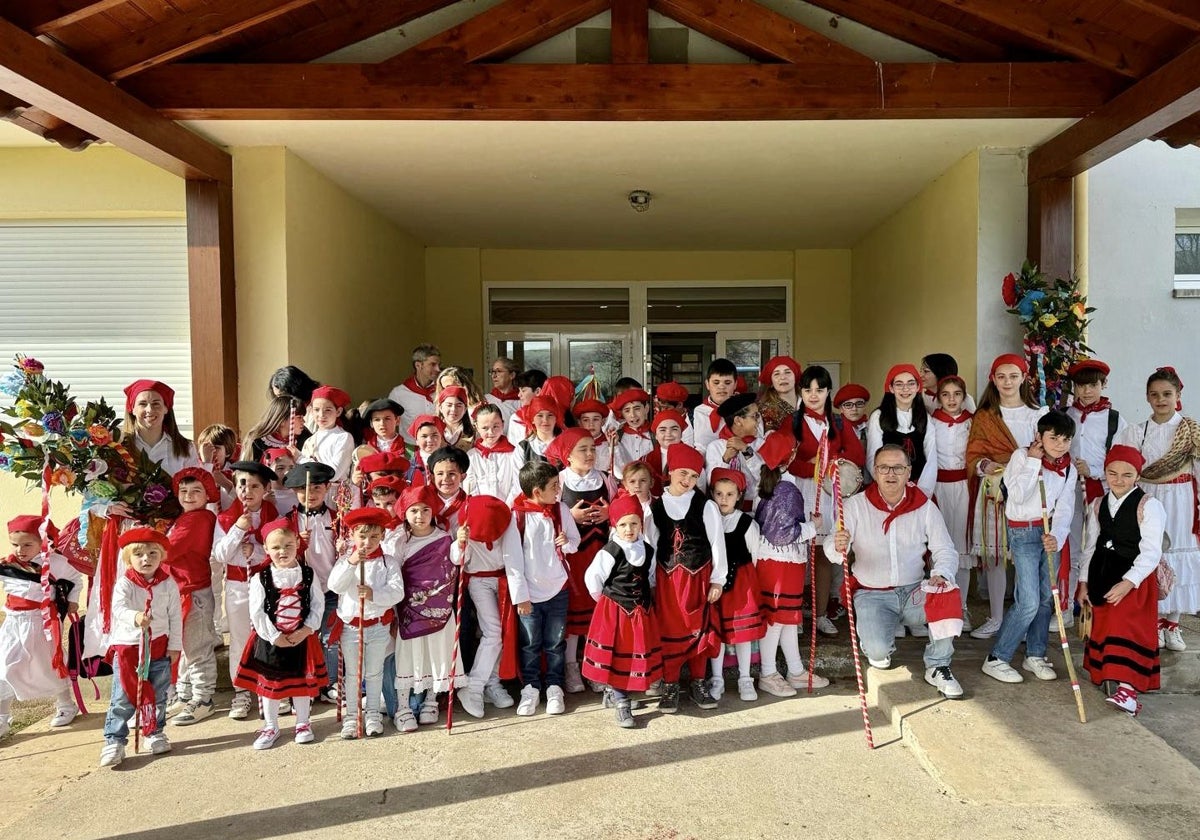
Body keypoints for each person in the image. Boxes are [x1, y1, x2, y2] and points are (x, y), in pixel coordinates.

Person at [826, 444, 964, 700]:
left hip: (913, 591)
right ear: (875, 472)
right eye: (884, 468)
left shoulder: (923, 506)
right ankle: (879, 640)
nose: (891, 474)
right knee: (878, 655)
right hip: (872, 594)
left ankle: (938, 665)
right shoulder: (855, 506)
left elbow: (945, 549)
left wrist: (941, 574)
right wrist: (838, 544)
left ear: (908, 472)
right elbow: (832, 549)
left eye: (898, 468)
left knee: (948, 591)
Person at [981, 411, 1076, 684]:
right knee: (1029, 601)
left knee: (1047, 597)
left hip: (1049, 532)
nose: (1059, 444)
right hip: (1023, 531)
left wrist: (1056, 535)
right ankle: (997, 658)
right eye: (1053, 437)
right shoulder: (1021, 457)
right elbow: (1018, 496)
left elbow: (1066, 505)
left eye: (1065, 439)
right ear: (1039, 436)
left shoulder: (1067, 467)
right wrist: (1035, 463)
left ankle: (1034, 653)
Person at [1115, 367, 1200, 652]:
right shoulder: (1135, 432)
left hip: (1181, 498)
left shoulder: (1191, 431)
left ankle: (1172, 625)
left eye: (1167, 394)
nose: (1161, 399)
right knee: (1152, 554)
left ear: (1178, 395)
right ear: (1147, 398)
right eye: (1154, 395)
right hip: (1148, 498)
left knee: (1177, 556)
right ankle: (1152, 622)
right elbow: (1123, 469)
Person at [1079, 445, 1167, 716]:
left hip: (1134, 581)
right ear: (1105, 473)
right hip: (1101, 575)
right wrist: (1083, 582)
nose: (1119, 480)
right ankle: (1114, 683)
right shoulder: (1097, 504)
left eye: (1127, 475)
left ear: (1137, 476)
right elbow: (1090, 545)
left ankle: (1128, 693)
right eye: (1112, 473)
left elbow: (1152, 551)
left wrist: (1129, 582)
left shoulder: (1149, 505)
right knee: (1106, 629)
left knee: (1126, 629)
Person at [967, 354, 1049, 641]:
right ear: (993, 379)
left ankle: (1023, 619)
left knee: (1025, 556)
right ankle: (996, 617)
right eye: (1001, 376)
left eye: (1013, 376)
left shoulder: (1038, 414)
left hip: (1026, 492)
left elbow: (1046, 451)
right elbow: (974, 453)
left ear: (1024, 377)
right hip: (993, 491)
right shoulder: (986, 415)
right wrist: (983, 465)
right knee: (996, 555)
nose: (1007, 382)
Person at [645, 444, 728, 713]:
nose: (688, 480)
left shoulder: (706, 506)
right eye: (683, 473)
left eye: (694, 476)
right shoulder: (655, 507)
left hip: (698, 578)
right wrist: (650, 580)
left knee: (699, 630)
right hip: (668, 580)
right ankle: (670, 684)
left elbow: (717, 543)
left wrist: (718, 579)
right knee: (669, 630)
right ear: (669, 472)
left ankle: (697, 681)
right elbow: (652, 544)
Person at [788, 365, 866, 637]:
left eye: (819, 389)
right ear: (801, 391)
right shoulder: (792, 422)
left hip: (829, 493)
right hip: (800, 491)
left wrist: (834, 463)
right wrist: (811, 466)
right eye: (808, 389)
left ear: (828, 391)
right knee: (797, 554)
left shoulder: (839, 422)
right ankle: (794, 614)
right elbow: (787, 462)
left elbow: (856, 456)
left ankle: (820, 614)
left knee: (822, 554)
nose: (813, 395)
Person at [234, 518, 325, 749]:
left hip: (301, 638)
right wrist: (275, 636)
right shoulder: (260, 578)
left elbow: (317, 604)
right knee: (271, 686)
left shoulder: (308, 574)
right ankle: (271, 725)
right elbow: (257, 612)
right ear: (265, 549)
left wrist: (306, 629)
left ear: (297, 543)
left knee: (301, 685)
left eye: (287, 545)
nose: (282, 551)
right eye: (275, 547)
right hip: (271, 640)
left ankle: (303, 723)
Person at [99, 528, 182, 767]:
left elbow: (175, 616)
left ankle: (154, 732)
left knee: (158, 694)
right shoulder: (124, 583)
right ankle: (114, 740)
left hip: (159, 647)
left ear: (161, 556)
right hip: (130, 648)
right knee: (123, 697)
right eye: (139, 554)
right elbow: (118, 608)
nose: (146, 559)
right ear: (129, 558)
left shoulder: (168, 584)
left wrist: (175, 645)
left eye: (153, 553)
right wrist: (135, 617)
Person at [753, 431, 827, 697]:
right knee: (777, 619)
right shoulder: (787, 489)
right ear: (792, 456)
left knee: (785, 618)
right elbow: (783, 533)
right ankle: (768, 672)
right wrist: (812, 527)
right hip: (781, 563)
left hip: (777, 562)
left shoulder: (768, 484)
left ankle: (795, 669)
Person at [582, 493, 664, 729]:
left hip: (640, 613)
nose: (629, 529)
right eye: (623, 524)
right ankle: (621, 701)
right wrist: (606, 602)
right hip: (615, 612)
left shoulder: (647, 550)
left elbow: (649, 577)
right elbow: (593, 578)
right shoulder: (610, 551)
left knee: (631, 654)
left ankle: (616, 692)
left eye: (634, 523)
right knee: (617, 654)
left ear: (641, 523)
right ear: (614, 526)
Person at [507, 461, 581, 717]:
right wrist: (521, 597)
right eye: (553, 486)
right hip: (529, 594)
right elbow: (513, 561)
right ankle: (530, 687)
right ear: (537, 491)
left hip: (558, 588)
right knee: (530, 644)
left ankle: (554, 686)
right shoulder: (516, 515)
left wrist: (567, 543)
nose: (558, 490)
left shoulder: (561, 510)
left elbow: (575, 541)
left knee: (555, 642)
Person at [546, 427, 616, 693]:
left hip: (601, 555)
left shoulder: (607, 479)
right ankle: (571, 666)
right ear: (568, 456)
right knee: (573, 616)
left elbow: (622, 512)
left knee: (598, 612)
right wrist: (569, 518)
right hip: (573, 559)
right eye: (582, 450)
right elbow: (546, 516)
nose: (589, 454)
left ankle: (594, 665)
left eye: (592, 448)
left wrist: (611, 512)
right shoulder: (560, 482)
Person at [0, 516, 83, 739]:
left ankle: (66, 704)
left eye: (27, 544)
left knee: (50, 665)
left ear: (43, 541)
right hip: (12, 624)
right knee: (3, 667)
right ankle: (2, 719)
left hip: (41, 623)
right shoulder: (8, 565)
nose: (20, 550)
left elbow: (75, 578)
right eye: (15, 544)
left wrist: (73, 599)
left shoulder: (54, 562)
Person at [328, 506, 405, 739]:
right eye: (362, 536)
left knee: (374, 672)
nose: (367, 542)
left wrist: (374, 595)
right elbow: (335, 586)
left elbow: (397, 592)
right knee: (352, 674)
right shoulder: (344, 560)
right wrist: (351, 562)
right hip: (352, 627)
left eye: (374, 536)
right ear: (352, 535)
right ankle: (352, 716)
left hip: (378, 626)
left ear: (382, 535)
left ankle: (372, 713)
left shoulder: (388, 562)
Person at [391, 485, 463, 732]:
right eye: (414, 511)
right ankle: (403, 707)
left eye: (425, 510)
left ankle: (431, 700)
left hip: (440, 609)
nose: (420, 515)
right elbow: (392, 571)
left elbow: (457, 560)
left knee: (437, 654)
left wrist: (462, 542)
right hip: (409, 611)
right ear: (405, 513)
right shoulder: (399, 541)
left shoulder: (444, 538)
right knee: (406, 656)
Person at [213, 460, 279, 720]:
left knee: (269, 633)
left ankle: (272, 686)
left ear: (265, 489)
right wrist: (238, 530)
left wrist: (259, 551)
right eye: (242, 484)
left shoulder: (273, 514)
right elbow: (220, 554)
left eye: (254, 486)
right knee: (240, 637)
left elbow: (282, 548)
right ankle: (241, 691)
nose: (247, 490)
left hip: (267, 583)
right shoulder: (226, 517)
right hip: (238, 585)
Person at [1065, 358, 1127, 628]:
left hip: (1101, 489)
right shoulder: (1067, 416)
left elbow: (1121, 457)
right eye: (1081, 386)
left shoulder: (1115, 419)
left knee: (1100, 545)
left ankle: (1100, 602)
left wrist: (1095, 470)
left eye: (1093, 385)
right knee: (1072, 543)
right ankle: (1068, 603)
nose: (1087, 391)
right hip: (1070, 491)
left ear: (1104, 385)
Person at [453, 495, 521, 718]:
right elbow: (458, 559)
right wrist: (460, 542)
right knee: (493, 633)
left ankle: (492, 682)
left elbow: (512, 555)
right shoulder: (466, 523)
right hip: (479, 582)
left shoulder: (505, 520)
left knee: (503, 633)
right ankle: (473, 686)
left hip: (502, 580)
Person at [165, 468, 219, 727]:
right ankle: (186, 694)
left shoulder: (198, 519)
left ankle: (203, 698)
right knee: (186, 647)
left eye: (196, 491)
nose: (188, 496)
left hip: (194, 590)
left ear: (207, 495)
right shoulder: (184, 518)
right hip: (182, 589)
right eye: (184, 491)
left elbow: (169, 551)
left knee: (197, 647)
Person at [284, 462, 341, 704]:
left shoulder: (338, 517)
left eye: (317, 487)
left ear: (327, 488)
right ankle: (304, 683)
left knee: (330, 638)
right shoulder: (289, 521)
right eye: (304, 490)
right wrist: (298, 544)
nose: (311, 494)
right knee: (304, 637)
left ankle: (329, 682)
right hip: (302, 590)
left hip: (330, 588)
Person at [708, 468, 766, 702]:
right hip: (714, 585)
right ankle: (717, 678)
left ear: (739, 495)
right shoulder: (707, 520)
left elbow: (755, 556)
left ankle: (745, 678)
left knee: (743, 634)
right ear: (712, 494)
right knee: (717, 631)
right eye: (719, 494)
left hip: (741, 584)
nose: (724, 499)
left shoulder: (747, 524)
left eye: (730, 494)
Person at [929, 376, 974, 628]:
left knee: (960, 547)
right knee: (937, 544)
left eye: (957, 394)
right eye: (945, 394)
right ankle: (935, 603)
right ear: (938, 397)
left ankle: (962, 606)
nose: (952, 399)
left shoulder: (971, 422)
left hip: (963, 488)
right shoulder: (932, 421)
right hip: (937, 487)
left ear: (964, 396)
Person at [867, 364, 937, 497]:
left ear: (918, 387)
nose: (905, 389)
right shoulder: (878, 416)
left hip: (919, 487)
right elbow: (872, 457)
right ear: (891, 388)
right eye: (899, 384)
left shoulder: (925, 417)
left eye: (911, 384)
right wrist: (889, 486)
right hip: (887, 488)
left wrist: (922, 491)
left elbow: (931, 458)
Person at [705, 393, 766, 508]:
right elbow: (710, 482)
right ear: (738, 420)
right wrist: (725, 459)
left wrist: (746, 450)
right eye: (755, 416)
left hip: (754, 509)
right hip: (723, 509)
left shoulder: (760, 444)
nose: (759, 421)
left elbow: (765, 479)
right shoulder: (716, 447)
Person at [466, 403, 524, 503]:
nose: (491, 432)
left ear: (503, 424)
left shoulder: (514, 453)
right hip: (480, 510)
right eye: (485, 428)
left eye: (495, 426)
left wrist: (507, 507)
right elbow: (470, 487)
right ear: (476, 427)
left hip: (507, 510)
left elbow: (517, 484)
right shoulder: (472, 455)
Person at [298, 386, 355, 483]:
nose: (321, 415)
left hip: (336, 494)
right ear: (311, 411)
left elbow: (332, 474)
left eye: (327, 410)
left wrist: (300, 459)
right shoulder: (309, 441)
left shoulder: (343, 437)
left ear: (338, 411)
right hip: (313, 493)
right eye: (316, 409)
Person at [389, 343, 442, 444]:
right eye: (433, 364)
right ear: (418, 365)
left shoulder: (442, 390)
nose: (438, 369)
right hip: (410, 449)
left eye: (439, 365)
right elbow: (390, 425)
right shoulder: (399, 394)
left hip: (438, 448)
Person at [243, 396, 309, 465]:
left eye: (303, 417)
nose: (304, 421)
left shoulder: (305, 438)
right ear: (282, 420)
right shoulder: (257, 442)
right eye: (299, 417)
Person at [693, 358, 740, 454]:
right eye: (716, 382)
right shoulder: (697, 413)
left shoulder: (748, 410)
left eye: (727, 383)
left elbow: (757, 444)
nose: (721, 387)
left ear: (735, 384)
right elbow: (692, 446)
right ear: (707, 384)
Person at [612, 388, 655, 477]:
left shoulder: (656, 434)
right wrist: (614, 445)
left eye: (637, 409)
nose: (633, 415)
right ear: (623, 414)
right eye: (627, 410)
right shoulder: (618, 436)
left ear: (646, 408)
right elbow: (617, 469)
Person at [757, 355, 801, 433]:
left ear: (795, 377)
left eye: (787, 372)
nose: (783, 377)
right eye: (776, 374)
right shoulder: (764, 411)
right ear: (771, 382)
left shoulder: (809, 403)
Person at [507, 369, 549, 445]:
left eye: (523, 391)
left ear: (537, 391)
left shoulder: (551, 416)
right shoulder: (516, 418)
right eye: (519, 391)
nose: (519, 395)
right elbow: (512, 446)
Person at [572, 399, 613, 475]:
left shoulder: (611, 444)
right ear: (579, 423)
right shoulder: (573, 446)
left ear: (603, 421)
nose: (591, 424)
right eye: (586, 420)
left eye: (595, 419)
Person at [517, 397, 561, 464]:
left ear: (556, 418)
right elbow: (516, 473)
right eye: (540, 415)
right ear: (532, 419)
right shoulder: (523, 447)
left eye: (550, 415)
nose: (545, 420)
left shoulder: (566, 444)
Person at [406, 415, 445, 484]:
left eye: (434, 435)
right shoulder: (409, 466)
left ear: (441, 437)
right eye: (424, 436)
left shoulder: (450, 461)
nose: (429, 440)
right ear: (416, 440)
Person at [486, 357, 522, 427]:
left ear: (512, 375)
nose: (494, 376)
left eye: (498, 371)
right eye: (492, 372)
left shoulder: (522, 400)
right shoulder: (485, 400)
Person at [436, 385, 475, 451]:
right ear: (440, 407)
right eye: (449, 405)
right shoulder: (433, 430)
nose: (453, 409)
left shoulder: (475, 432)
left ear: (465, 409)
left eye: (459, 405)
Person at [834, 383, 871, 450]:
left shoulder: (872, 426)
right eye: (848, 405)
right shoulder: (836, 428)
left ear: (865, 406)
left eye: (859, 404)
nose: (854, 409)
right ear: (841, 409)